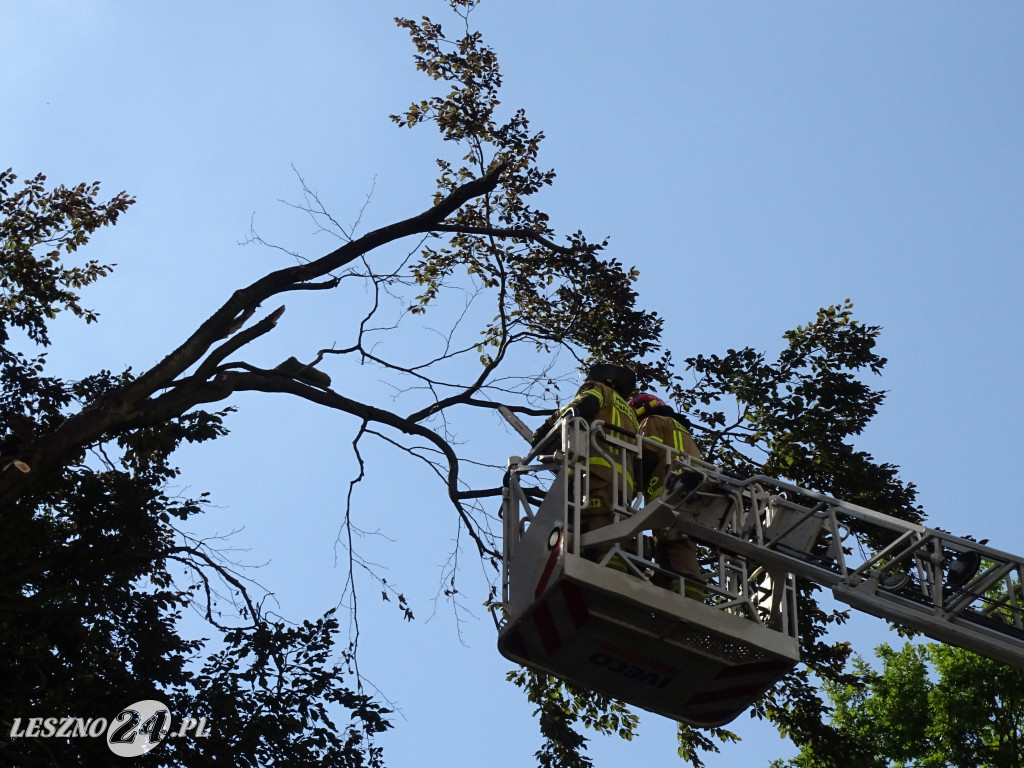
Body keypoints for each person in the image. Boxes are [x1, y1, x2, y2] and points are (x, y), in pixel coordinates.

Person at [531, 362, 639, 558]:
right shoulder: (632, 415)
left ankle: (601, 561)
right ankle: (615, 564)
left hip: (595, 472)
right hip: (624, 483)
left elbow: (579, 407)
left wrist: (546, 430)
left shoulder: (600, 389)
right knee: (614, 524)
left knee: (594, 522)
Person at [629, 393, 704, 596]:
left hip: (668, 489)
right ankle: (677, 583)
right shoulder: (684, 433)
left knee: (670, 537)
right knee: (681, 538)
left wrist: (634, 485)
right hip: (694, 492)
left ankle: (685, 585)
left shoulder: (652, 421)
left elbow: (649, 454)